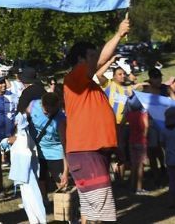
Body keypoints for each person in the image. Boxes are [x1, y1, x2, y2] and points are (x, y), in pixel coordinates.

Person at [63, 18, 129, 223]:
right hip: (86, 154)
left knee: (92, 214)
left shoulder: (87, 85)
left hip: (92, 153)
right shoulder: (74, 78)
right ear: (81, 60)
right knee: (104, 214)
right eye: (91, 55)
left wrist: (115, 149)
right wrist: (118, 35)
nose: (95, 59)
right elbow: (100, 61)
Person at [28, 91, 67, 196]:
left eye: (49, 111)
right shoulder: (33, 105)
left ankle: (64, 206)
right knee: (41, 179)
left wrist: (65, 172)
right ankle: (43, 202)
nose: (46, 112)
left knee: (61, 184)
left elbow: (65, 145)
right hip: (38, 151)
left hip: (55, 154)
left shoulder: (61, 119)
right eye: (44, 109)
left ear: (56, 107)